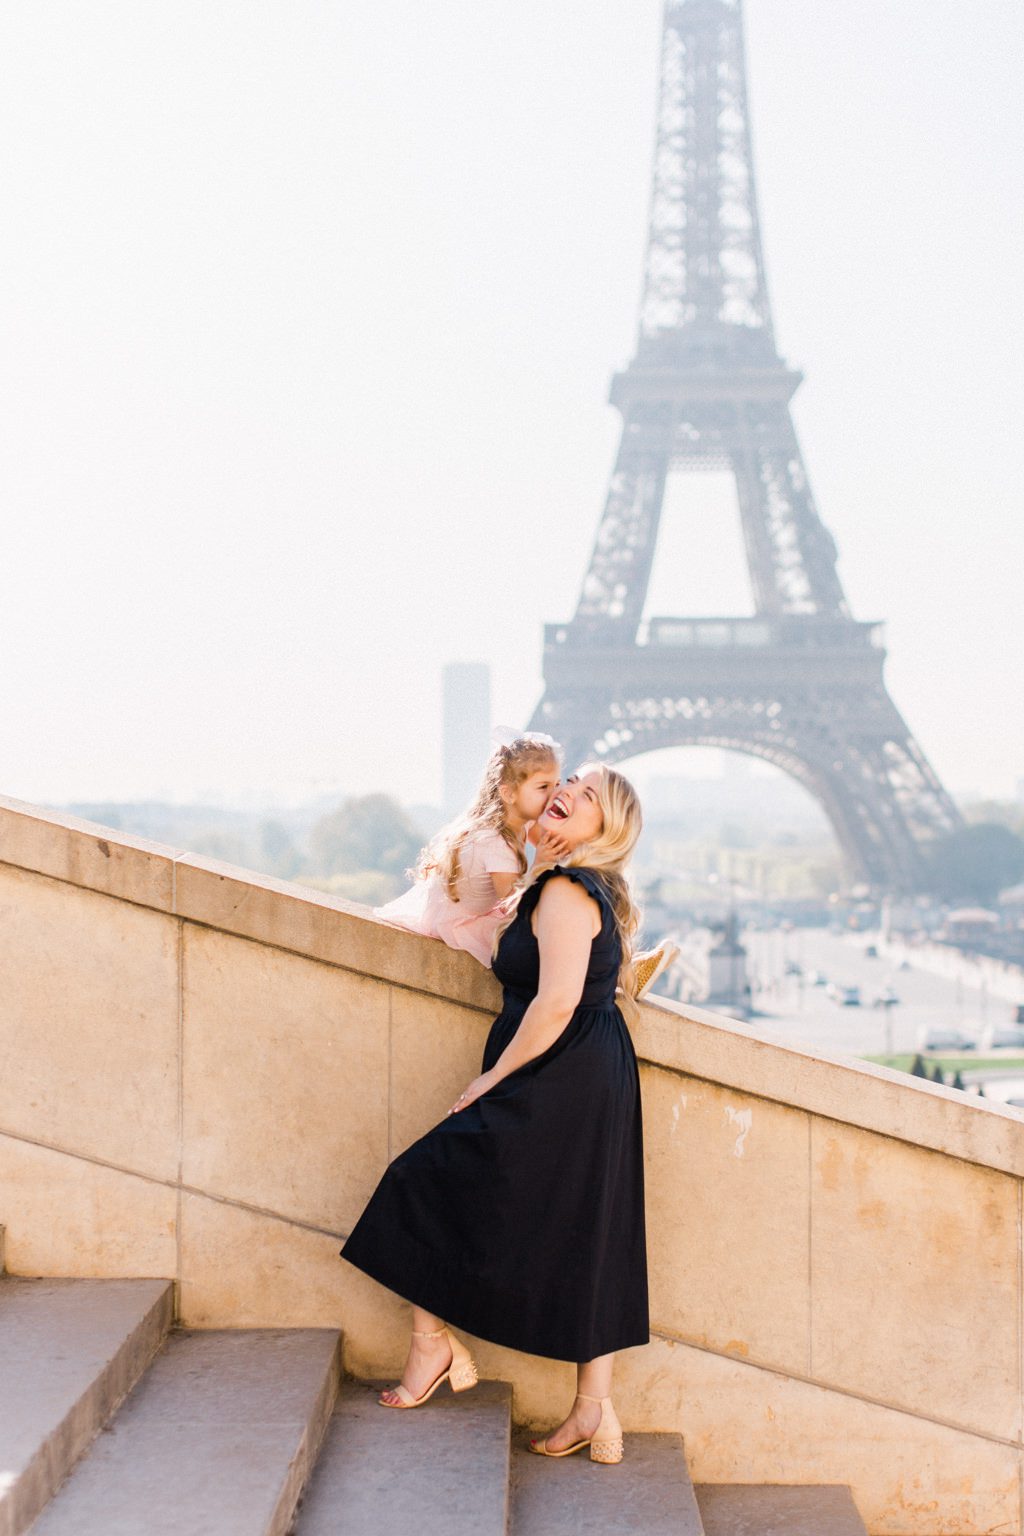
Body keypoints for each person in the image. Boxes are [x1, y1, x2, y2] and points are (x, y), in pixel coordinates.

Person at [342, 763, 648, 1464]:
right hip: (585, 1069)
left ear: (607, 826)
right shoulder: (562, 882)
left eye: (590, 794)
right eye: (570, 779)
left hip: (556, 1069)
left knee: (421, 1179)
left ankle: (432, 1348)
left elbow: (557, 1002)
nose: (569, 790)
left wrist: (491, 1080)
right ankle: (592, 1411)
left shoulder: (568, 890)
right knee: (588, 1232)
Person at [373, 734, 564, 967]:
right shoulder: (495, 844)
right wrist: (541, 863)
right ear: (509, 793)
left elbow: (551, 839)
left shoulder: (521, 817)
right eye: (543, 787)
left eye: (557, 784)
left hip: (485, 907)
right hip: (465, 922)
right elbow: (516, 907)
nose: (554, 794)